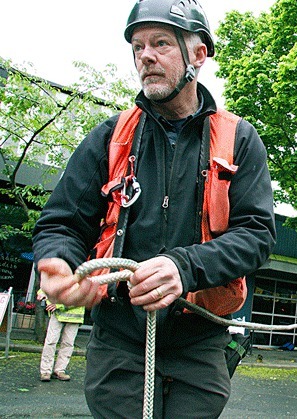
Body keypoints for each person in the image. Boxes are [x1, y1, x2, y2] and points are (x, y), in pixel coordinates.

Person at [32, 0, 275, 417]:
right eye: (137, 47)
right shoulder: (110, 136)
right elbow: (62, 222)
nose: (146, 56)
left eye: (161, 43)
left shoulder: (239, 138)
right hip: (119, 341)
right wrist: (57, 260)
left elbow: (256, 235)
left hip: (199, 341)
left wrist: (183, 267)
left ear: (198, 55)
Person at [36, 289, 85, 382]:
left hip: (71, 314)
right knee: (52, 342)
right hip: (60, 313)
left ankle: (57, 370)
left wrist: (58, 305)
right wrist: (42, 292)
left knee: (66, 343)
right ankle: (48, 371)